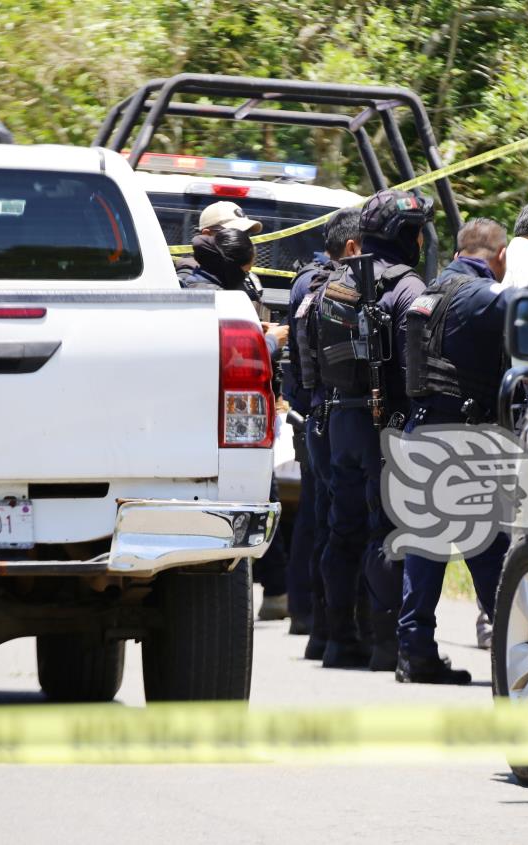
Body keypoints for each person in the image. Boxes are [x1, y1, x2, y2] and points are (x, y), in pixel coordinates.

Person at [396, 217, 528, 684]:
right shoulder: (477, 293)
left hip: (424, 431)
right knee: (491, 550)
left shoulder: (430, 291)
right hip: (464, 437)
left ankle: (415, 650)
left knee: (428, 549)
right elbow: (524, 311)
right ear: (499, 258)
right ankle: (515, 640)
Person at [313, 189, 431, 670]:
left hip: (340, 423)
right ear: (407, 236)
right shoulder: (408, 289)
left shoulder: (333, 283)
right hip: (388, 425)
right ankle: (385, 643)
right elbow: (415, 369)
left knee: (343, 532)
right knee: (388, 534)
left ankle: (339, 640)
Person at [180, 226, 291, 619]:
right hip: (220, 424)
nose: (247, 279)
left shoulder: (185, 282)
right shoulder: (212, 297)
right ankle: (264, 589)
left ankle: (273, 592)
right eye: (244, 270)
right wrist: (271, 341)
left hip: (186, 425)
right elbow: (225, 357)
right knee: (254, 502)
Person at [285, 207, 363, 658]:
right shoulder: (342, 287)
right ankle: (339, 630)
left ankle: (313, 622)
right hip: (341, 416)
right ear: (352, 248)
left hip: (311, 415)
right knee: (343, 523)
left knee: (318, 520)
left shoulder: (305, 284)